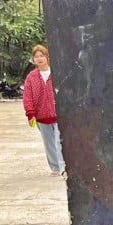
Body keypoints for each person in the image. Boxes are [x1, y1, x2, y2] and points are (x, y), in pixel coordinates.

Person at [22, 44, 65, 176]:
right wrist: (30, 113)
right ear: (33, 60)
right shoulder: (31, 77)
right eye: (36, 56)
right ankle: (55, 168)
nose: (39, 59)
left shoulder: (57, 73)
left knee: (59, 141)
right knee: (49, 144)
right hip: (41, 116)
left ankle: (63, 166)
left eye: (42, 56)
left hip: (59, 115)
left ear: (47, 57)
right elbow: (27, 96)